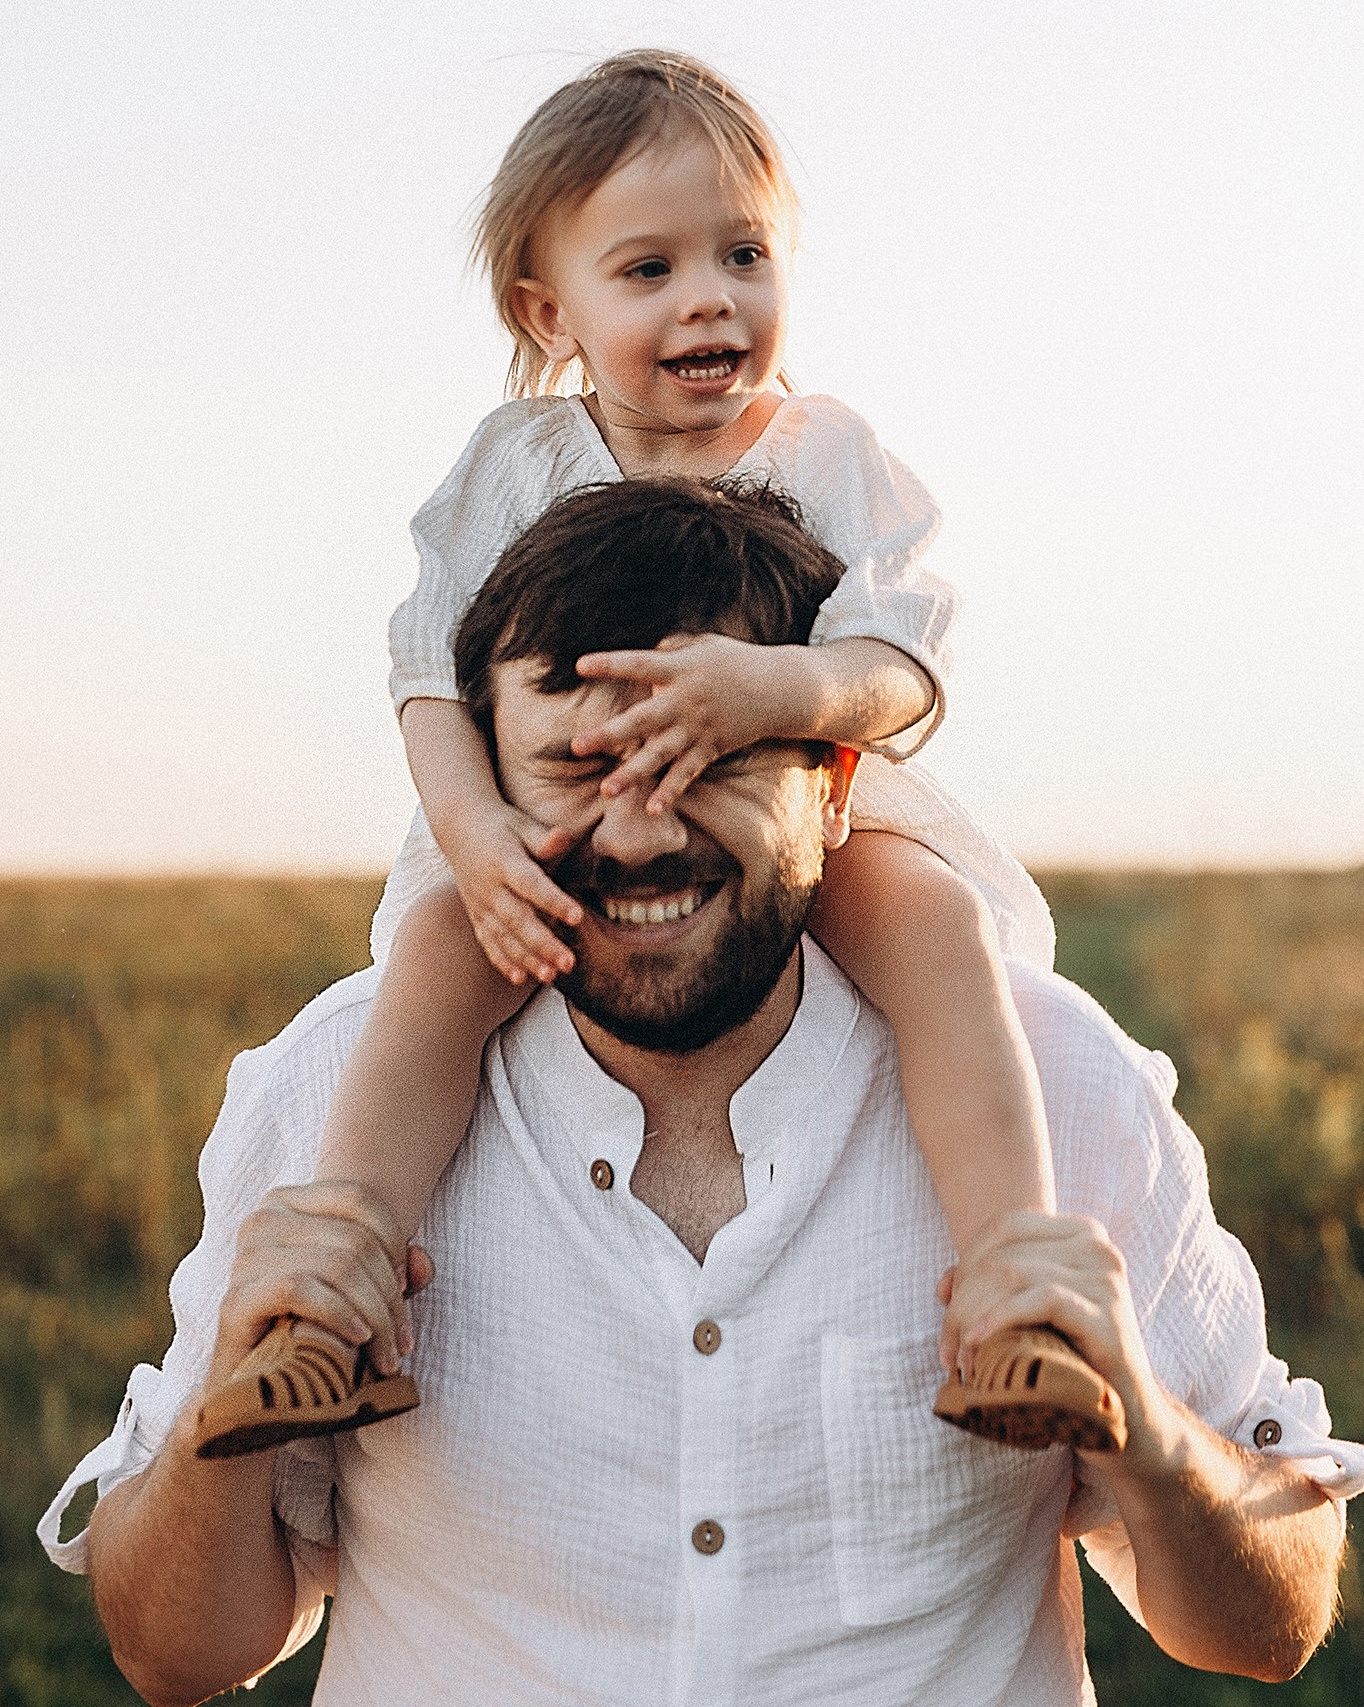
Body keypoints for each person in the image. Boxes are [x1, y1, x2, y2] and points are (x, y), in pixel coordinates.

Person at [41, 478, 1364, 1705]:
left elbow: (1271, 1627)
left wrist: (1149, 1428)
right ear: (478, 797)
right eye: (572, 770)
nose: (638, 830)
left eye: (711, 762)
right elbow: (173, 1656)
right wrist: (226, 1417)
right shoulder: (331, 1090)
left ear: (836, 782)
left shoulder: (1058, 1084)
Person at [193, 46, 1118, 1461]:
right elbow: (426, 678)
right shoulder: (514, 466)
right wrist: (473, 835)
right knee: (445, 953)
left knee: (931, 927)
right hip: (538, 813)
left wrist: (771, 690)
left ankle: (1015, 1292)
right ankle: (338, 1297)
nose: (709, 297)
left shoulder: (825, 453)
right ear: (546, 308)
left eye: (745, 253)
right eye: (649, 269)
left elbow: (896, 665)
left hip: (801, 811)